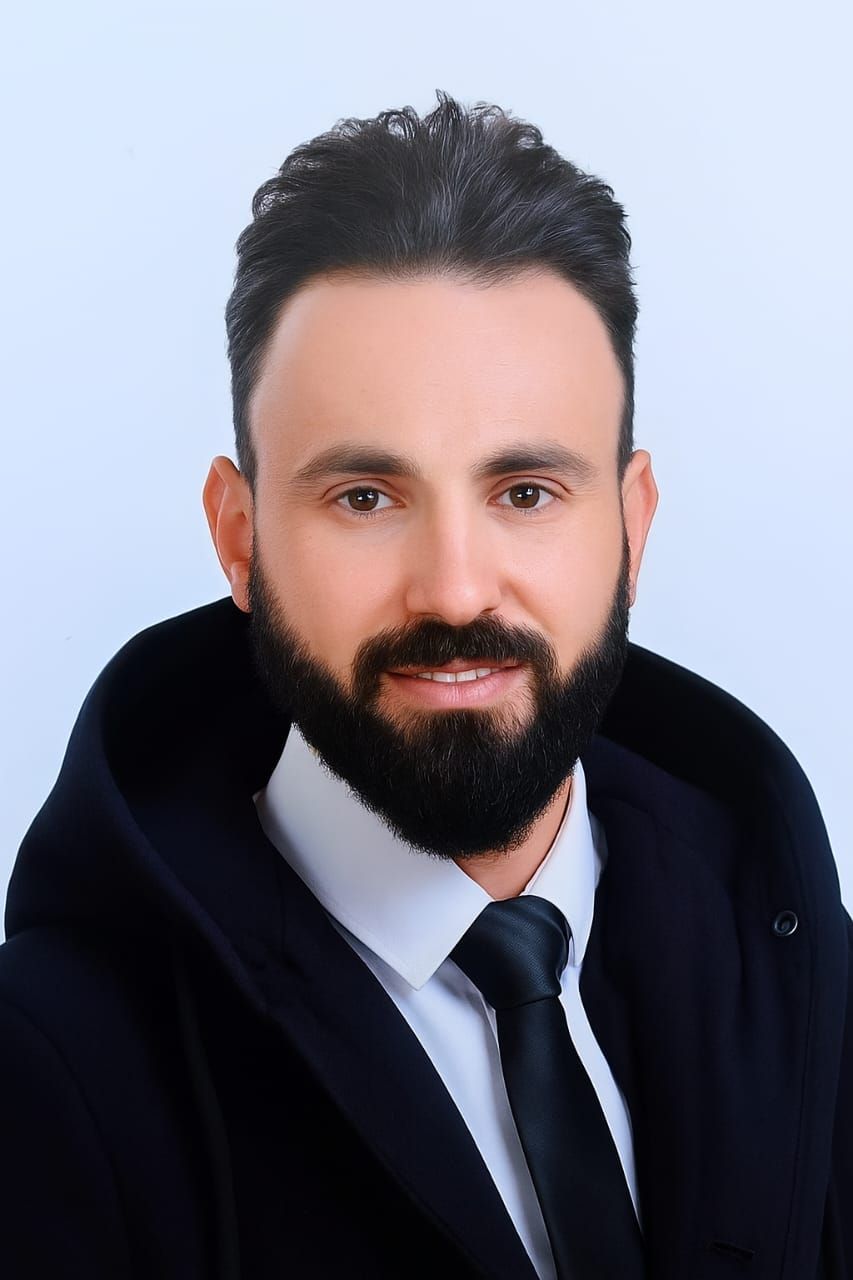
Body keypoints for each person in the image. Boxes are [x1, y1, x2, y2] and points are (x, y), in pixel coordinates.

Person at [1, 89, 850, 1280]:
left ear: (631, 526)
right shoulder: (47, 1080)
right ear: (239, 535)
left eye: (524, 492)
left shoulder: (805, 978)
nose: (452, 588)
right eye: (365, 497)